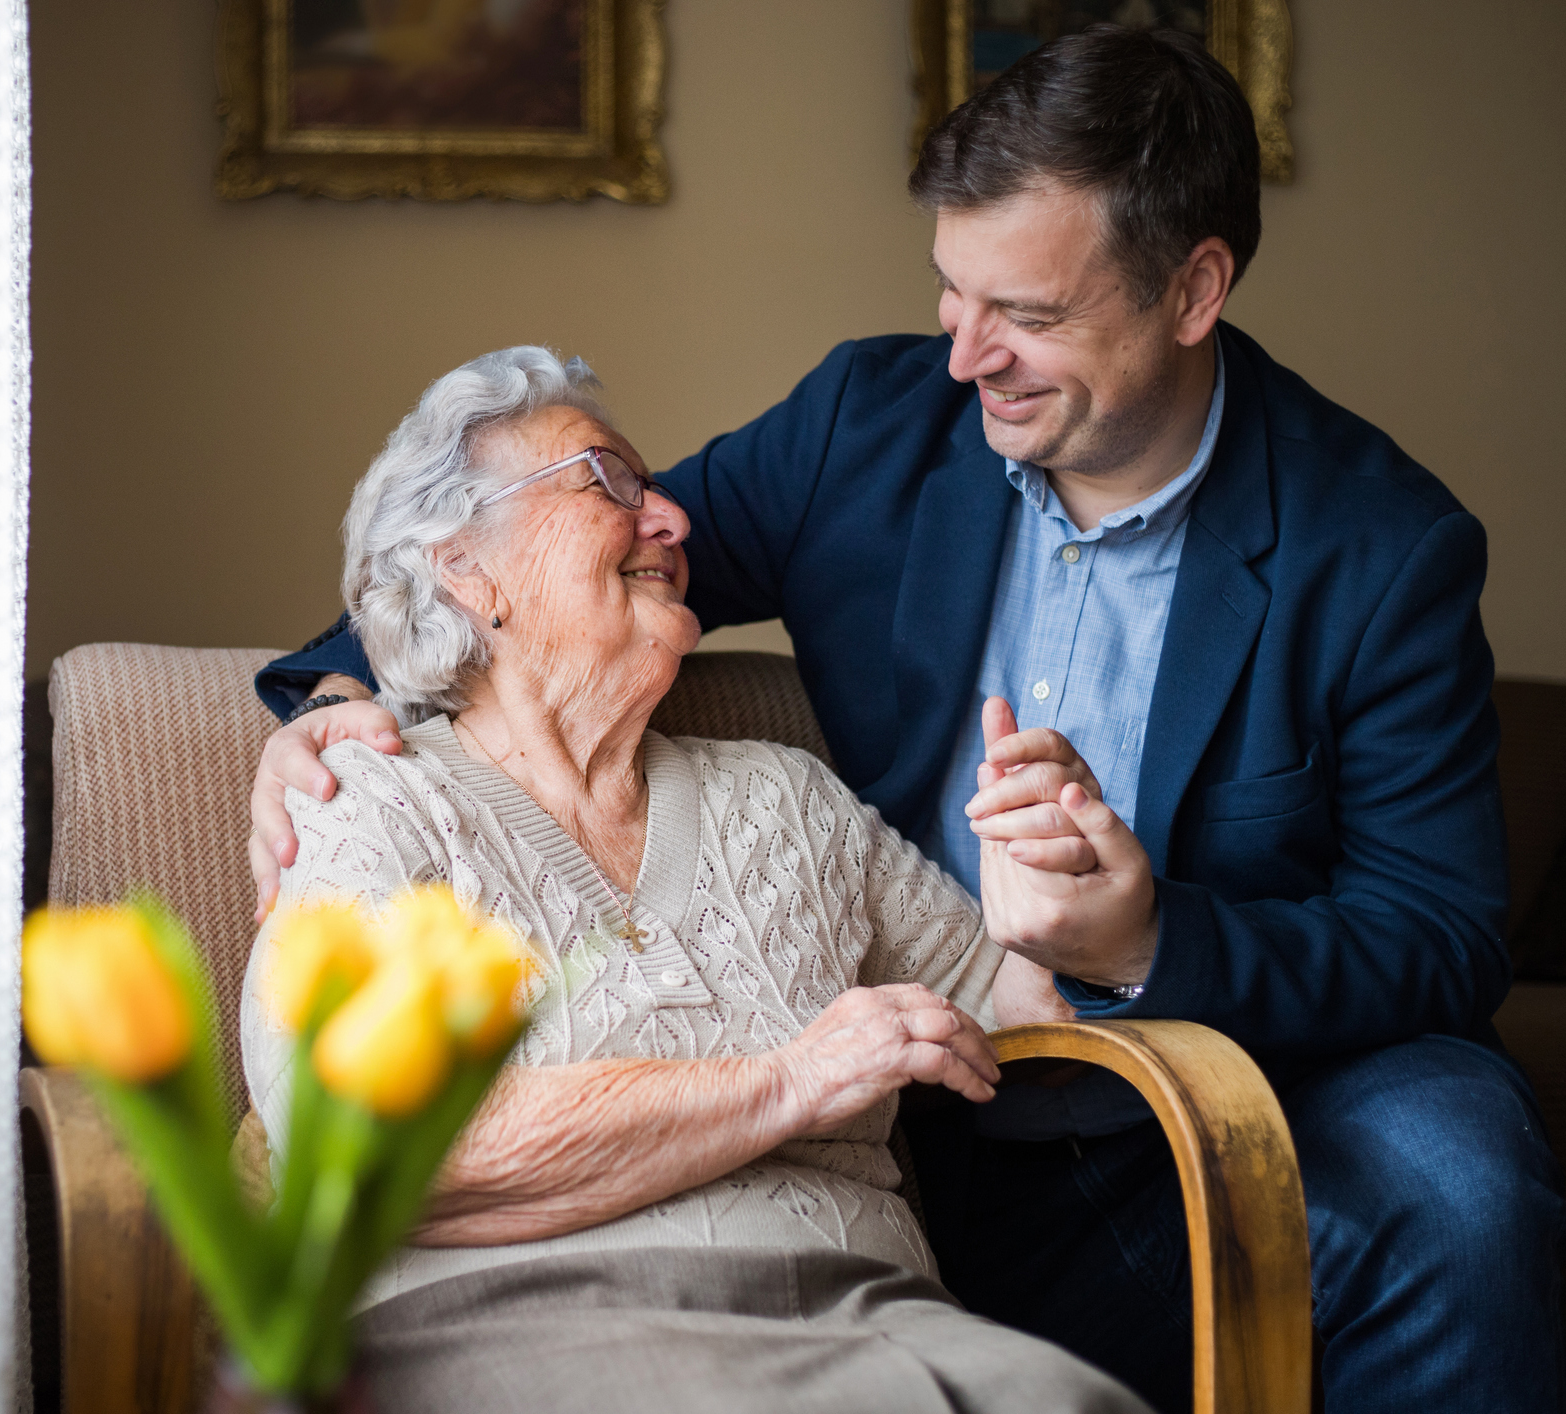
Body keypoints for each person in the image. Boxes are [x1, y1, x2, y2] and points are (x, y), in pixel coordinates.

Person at [250, 26, 1566, 1414]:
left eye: (1030, 316)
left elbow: (1442, 931)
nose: (966, 356)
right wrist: (339, 699)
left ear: (1193, 288)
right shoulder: (864, 432)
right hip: (936, 1130)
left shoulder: (1376, 544)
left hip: (1238, 1079)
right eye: (950, 291)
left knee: (1458, 1177)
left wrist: (1148, 939)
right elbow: (560, 552)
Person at [241, 344, 1146, 1414]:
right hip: (520, 1332)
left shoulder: (790, 799)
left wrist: (1078, 902)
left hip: (872, 1319)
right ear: (466, 569)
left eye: (660, 489)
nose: (670, 519)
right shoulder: (373, 803)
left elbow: (1015, 1007)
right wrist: (791, 1081)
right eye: (611, 483)